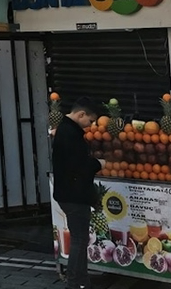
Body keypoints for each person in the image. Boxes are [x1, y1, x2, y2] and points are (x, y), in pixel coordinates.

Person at [52, 97, 105, 289]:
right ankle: (74, 283)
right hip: (74, 195)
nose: (90, 126)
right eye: (90, 121)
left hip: (68, 194)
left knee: (80, 239)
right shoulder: (70, 133)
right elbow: (78, 166)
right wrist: (98, 164)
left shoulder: (65, 130)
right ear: (81, 114)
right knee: (79, 240)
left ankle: (82, 281)